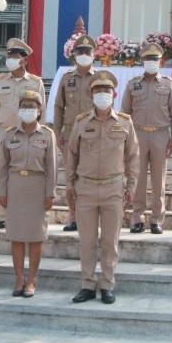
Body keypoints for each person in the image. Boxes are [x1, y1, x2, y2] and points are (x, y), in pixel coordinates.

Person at [67, 72, 138, 304]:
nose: (102, 96)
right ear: (91, 95)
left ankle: (107, 284)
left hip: (113, 188)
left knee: (110, 241)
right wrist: (70, 183)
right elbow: (72, 155)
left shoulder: (125, 122)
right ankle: (87, 284)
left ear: (114, 95)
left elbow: (133, 156)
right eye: (98, 92)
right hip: (86, 187)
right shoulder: (81, 122)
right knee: (87, 241)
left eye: (106, 92)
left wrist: (132, 185)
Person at [0, 90, 57, 297]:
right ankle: (19, 278)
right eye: (24, 106)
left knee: (35, 237)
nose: (28, 110)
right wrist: (2, 191)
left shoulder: (47, 135)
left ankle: (32, 280)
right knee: (16, 236)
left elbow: (52, 167)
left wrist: (50, 193)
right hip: (15, 185)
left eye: (32, 107)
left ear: (39, 110)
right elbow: (2, 166)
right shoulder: (9, 133)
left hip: (37, 186)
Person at [120, 42, 172, 234]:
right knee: (137, 178)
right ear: (142, 61)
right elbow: (124, 113)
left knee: (158, 179)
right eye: (147, 60)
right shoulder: (133, 84)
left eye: (154, 60)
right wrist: (124, 139)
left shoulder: (168, 84)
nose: (151, 63)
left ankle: (156, 219)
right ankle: (136, 218)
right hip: (137, 134)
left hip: (161, 134)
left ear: (160, 62)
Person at [53, 33, 98, 232]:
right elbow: (58, 106)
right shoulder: (66, 78)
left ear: (94, 55)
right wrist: (57, 132)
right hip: (70, 134)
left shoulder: (99, 79)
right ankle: (73, 217)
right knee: (71, 177)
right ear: (74, 55)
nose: (84, 55)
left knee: (89, 177)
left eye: (87, 52)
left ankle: (87, 217)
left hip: (93, 134)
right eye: (80, 52)